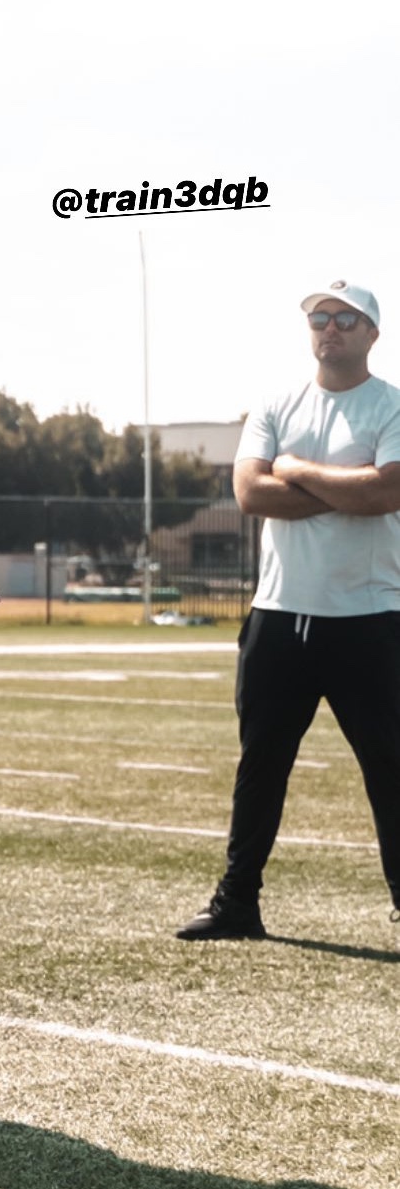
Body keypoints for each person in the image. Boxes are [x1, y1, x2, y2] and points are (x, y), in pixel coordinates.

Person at [178, 280, 400, 940]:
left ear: (370, 332)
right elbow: (249, 492)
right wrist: (347, 487)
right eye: (319, 318)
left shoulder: (388, 405)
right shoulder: (275, 402)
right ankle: (235, 902)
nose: (328, 328)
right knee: (260, 765)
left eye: (344, 318)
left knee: (390, 767)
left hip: (369, 619)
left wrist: (297, 468)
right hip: (277, 616)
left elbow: (388, 490)